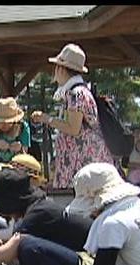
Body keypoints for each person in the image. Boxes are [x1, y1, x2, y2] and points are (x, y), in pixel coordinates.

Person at [31, 43, 113, 189]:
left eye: (56, 67)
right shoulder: (78, 92)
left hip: (81, 163)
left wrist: (47, 119)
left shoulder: (75, 94)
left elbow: (73, 129)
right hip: (81, 162)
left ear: (62, 69)